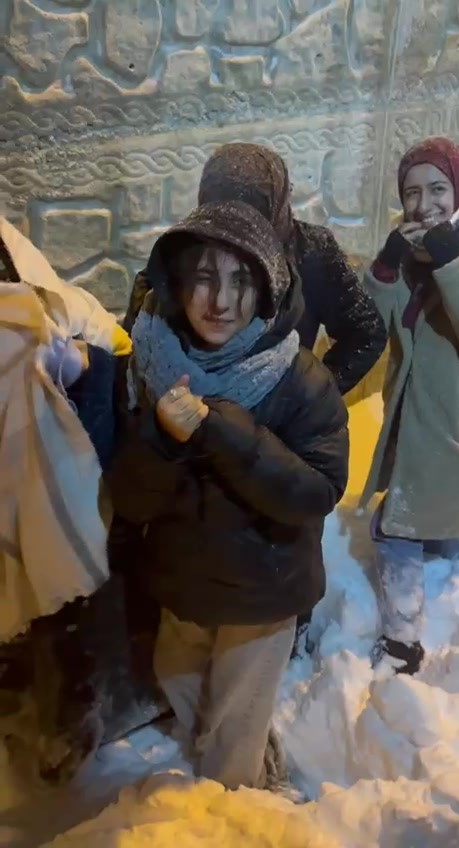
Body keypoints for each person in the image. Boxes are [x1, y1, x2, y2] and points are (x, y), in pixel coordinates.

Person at [110, 200, 349, 790]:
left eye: (241, 280)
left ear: (266, 289)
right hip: (183, 580)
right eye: (205, 277)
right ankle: (237, 752)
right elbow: (132, 499)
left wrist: (226, 433)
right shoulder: (151, 361)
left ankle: (238, 806)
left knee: (229, 747)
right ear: (178, 282)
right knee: (178, 677)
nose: (221, 301)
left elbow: (317, 491)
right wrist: (161, 438)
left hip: (262, 590)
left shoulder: (299, 379)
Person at [122, 142, 386, 655]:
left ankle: (290, 633)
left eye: (254, 209)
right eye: (224, 206)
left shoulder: (311, 251)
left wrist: (316, 393)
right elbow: (146, 336)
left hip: (280, 436)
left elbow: (366, 331)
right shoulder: (192, 258)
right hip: (192, 478)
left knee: (277, 568)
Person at [0, 217, 132, 784]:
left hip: (60, 478)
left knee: (62, 595)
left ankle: (66, 721)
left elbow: (113, 352)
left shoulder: (54, 311)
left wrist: (82, 364)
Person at [359, 136, 459, 675]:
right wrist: (387, 266)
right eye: (412, 192)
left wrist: (453, 258)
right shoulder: (413, 251)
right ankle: (446, 547)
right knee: (437, 510)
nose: (424, 204)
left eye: (437, 189)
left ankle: (402, 641)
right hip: (416, 416)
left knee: (394, 527)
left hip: (453, 425)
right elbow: (372, 325)